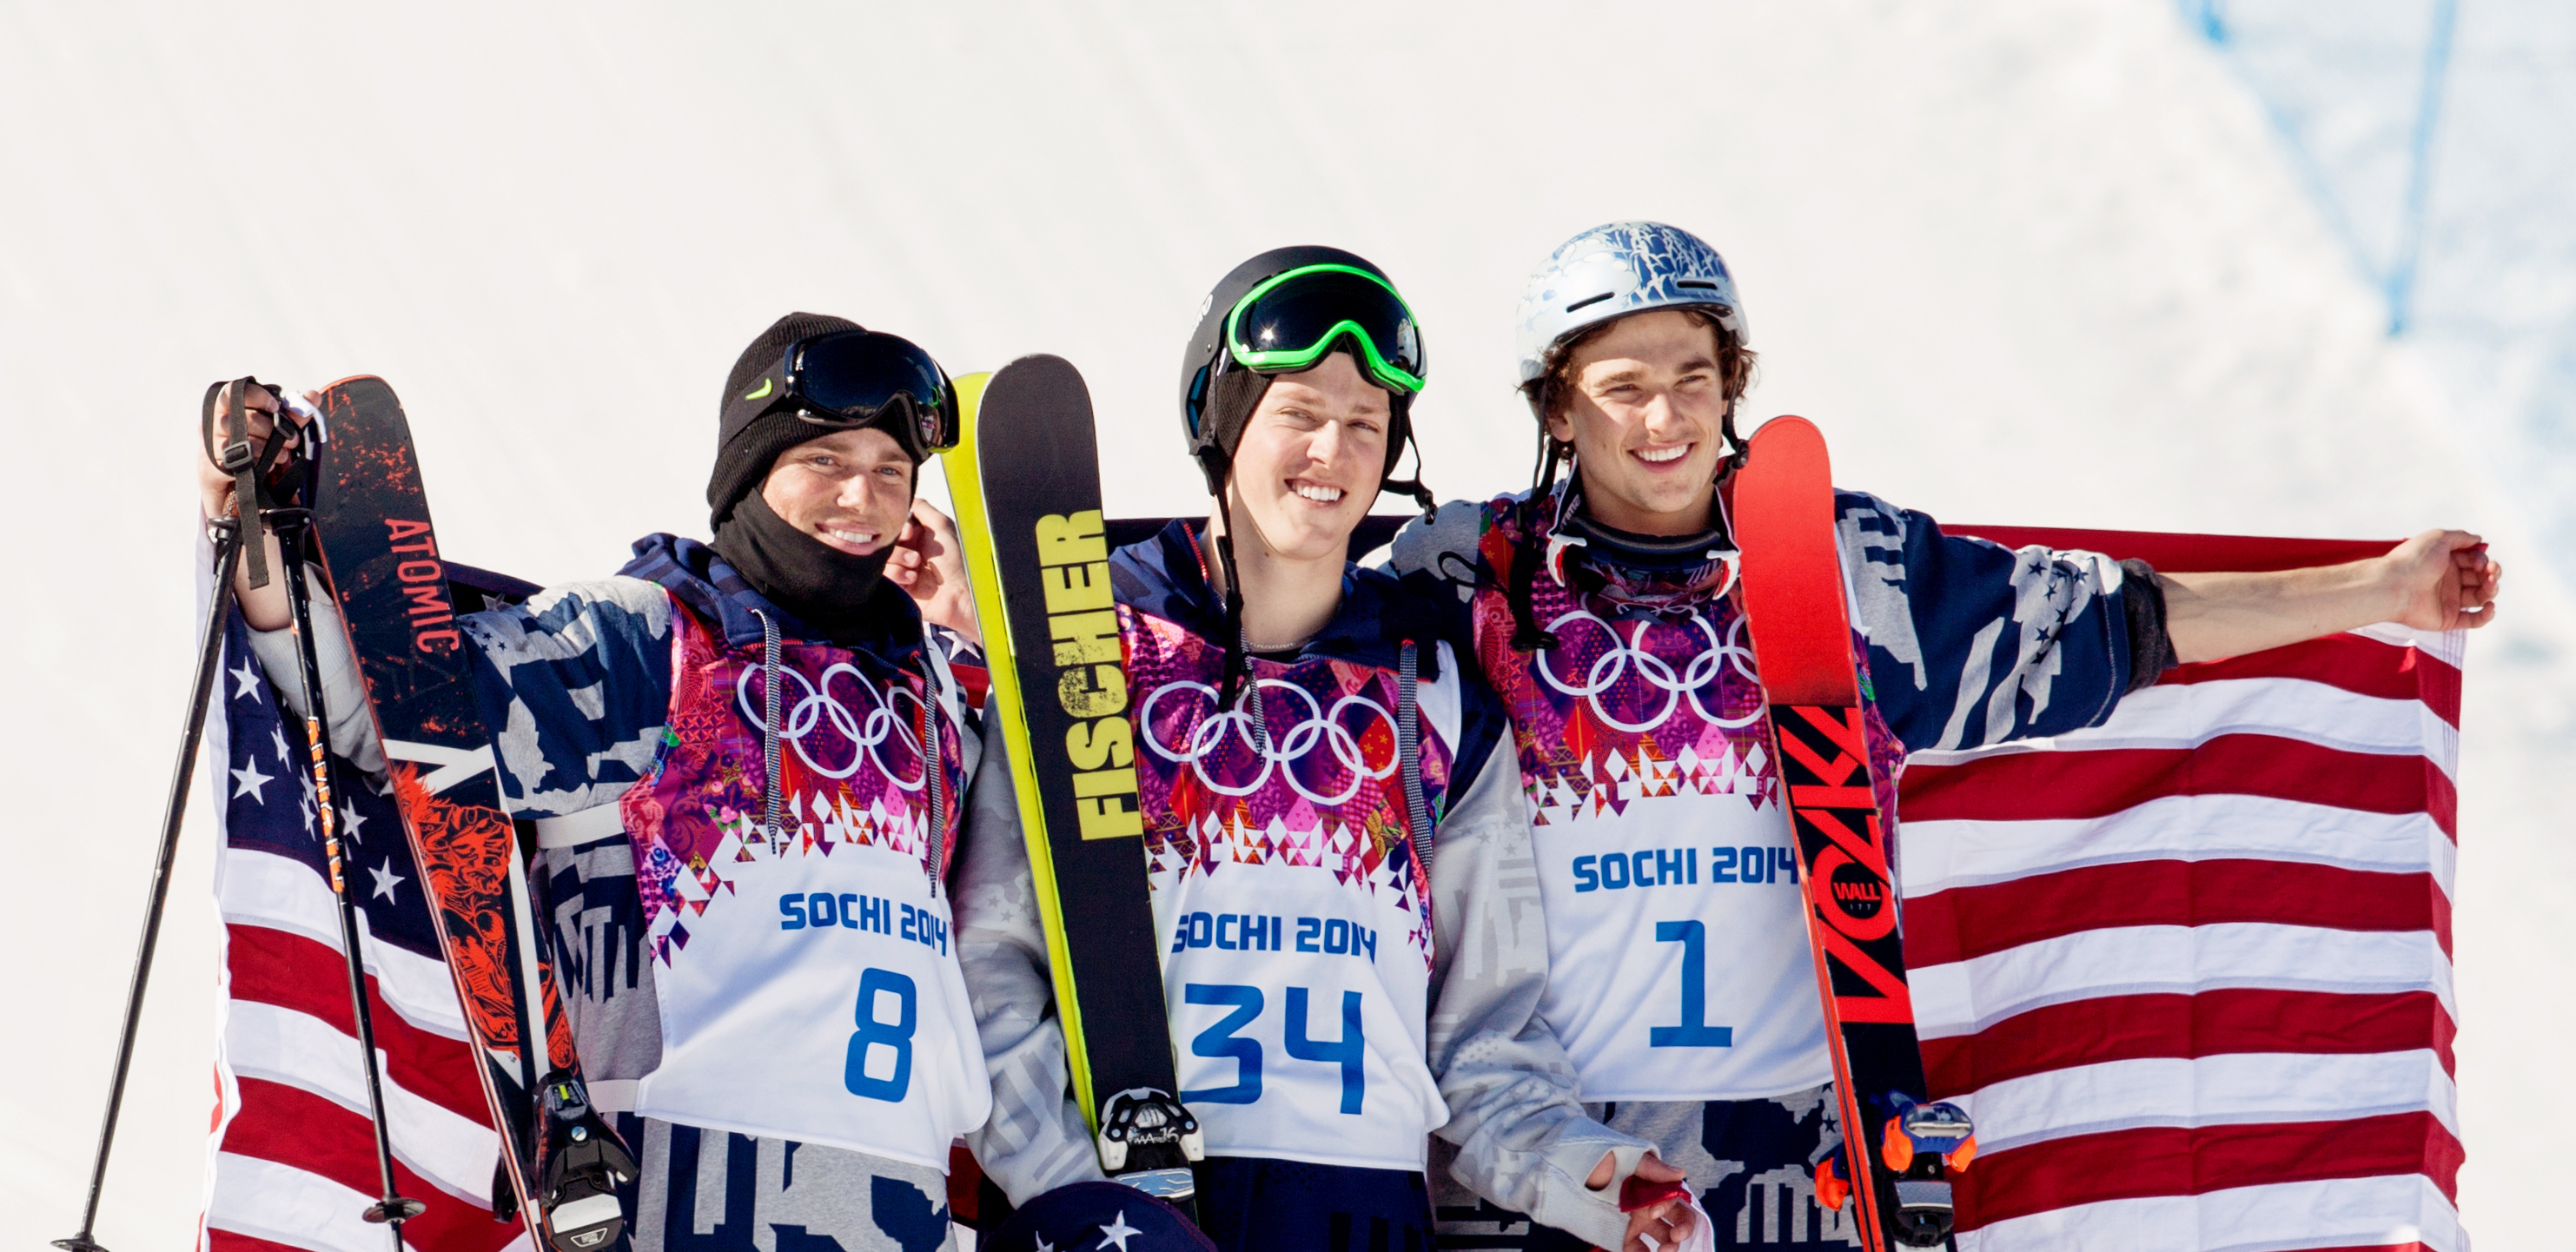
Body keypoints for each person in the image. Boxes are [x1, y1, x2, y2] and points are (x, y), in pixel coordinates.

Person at [1386, 221, 2506, 1249]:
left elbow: (2117, 624)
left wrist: (2380, 588)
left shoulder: (1841, 570)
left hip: (1795, 1165)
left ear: (1734, 386)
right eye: (1623, 387)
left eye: (1693, 379)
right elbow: (1296, 656)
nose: (1665, 419)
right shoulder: (1465, 581)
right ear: (1557, 407)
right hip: (1540, 1163)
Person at [199, 314, 997, 1251]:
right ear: (750, 471)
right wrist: (254, 534)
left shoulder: (935, 687)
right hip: (683, 1192)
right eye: (824, 461)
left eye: (891, 471)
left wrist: (977, 635)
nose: (862, 496)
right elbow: (394, 722)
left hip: (897, 1205)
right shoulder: (654, 640)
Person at [955, 248, 1697, 1252]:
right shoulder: (1093, 642)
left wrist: (1588, 1177)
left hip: (1363, 1214)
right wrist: (1079, 1198)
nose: (1334, 453)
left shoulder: (1432, 688)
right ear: (1218, 422)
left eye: (1365, 425)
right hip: (1133, 1207)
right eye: (1300, 413)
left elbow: (1485, 1036)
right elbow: (990, 973)